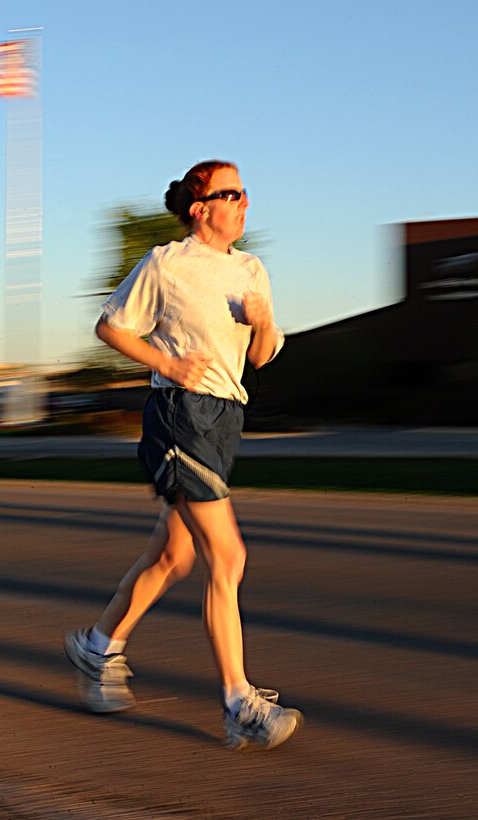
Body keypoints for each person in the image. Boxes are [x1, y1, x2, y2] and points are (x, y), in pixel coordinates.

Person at [64, 160, 303, 750]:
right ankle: (238, 702)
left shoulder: (250, 269)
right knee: (228, 556)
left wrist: (265, 320)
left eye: (246, 193)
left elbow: (263, 356)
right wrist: (168, 364)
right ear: (201, 207)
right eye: (234, 194)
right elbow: (110, 326)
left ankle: (98, 648)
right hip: (181, 414)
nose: (246, 202)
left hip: (226, 419)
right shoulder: (166, 264)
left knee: (173, 555)